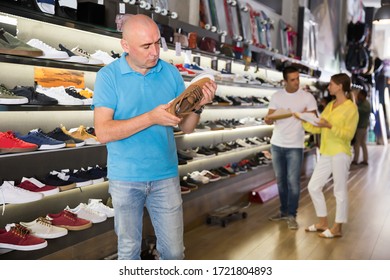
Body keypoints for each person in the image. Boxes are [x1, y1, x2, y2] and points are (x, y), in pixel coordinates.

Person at [92, 14, 217, 260]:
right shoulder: (108, 76)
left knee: (174, 253)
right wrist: (151, 117)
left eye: (158, 43)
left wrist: (200, 105)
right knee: (128, 252)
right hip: (126, 177)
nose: (155, 51)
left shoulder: (170, 73)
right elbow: (103, 132)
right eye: (146, 46)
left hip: (165, 175)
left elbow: (187, 127)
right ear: (125, 46)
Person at [299, 73, 358, 238]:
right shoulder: (330, 105)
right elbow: (319, 127)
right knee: (313, 186)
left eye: (331, 84)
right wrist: (303, 120)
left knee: (339, 190)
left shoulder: (351, 108)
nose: (329, 87)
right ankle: (323, 222)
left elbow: (348, 135)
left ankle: (337, 228)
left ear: (340, 86)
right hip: (326, 151)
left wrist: (330, 125)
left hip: (340, 152)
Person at [264, 66, 318, 230]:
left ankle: (292, 215)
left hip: (295, 145)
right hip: (277, 143)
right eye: (293, 80)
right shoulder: (277, 96)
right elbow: (268, 119)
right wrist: (274, 116)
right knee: (281, 181)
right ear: (285, 81)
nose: (296, 83)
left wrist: (303, 115)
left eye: (297, 79)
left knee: (293, 182)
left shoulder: (307, 97)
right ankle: (283, 211)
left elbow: (315, 120)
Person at [352, 89, 370, 165]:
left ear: (363, 96)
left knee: (357, 143)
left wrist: (354, 101)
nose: (358, 96)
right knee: (362, 143)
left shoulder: (365, 105)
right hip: (363, 126)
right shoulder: (364, 103)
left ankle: (355, 160)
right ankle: (365, 160)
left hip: (361, 127)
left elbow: (356, 110)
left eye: (359, 95)